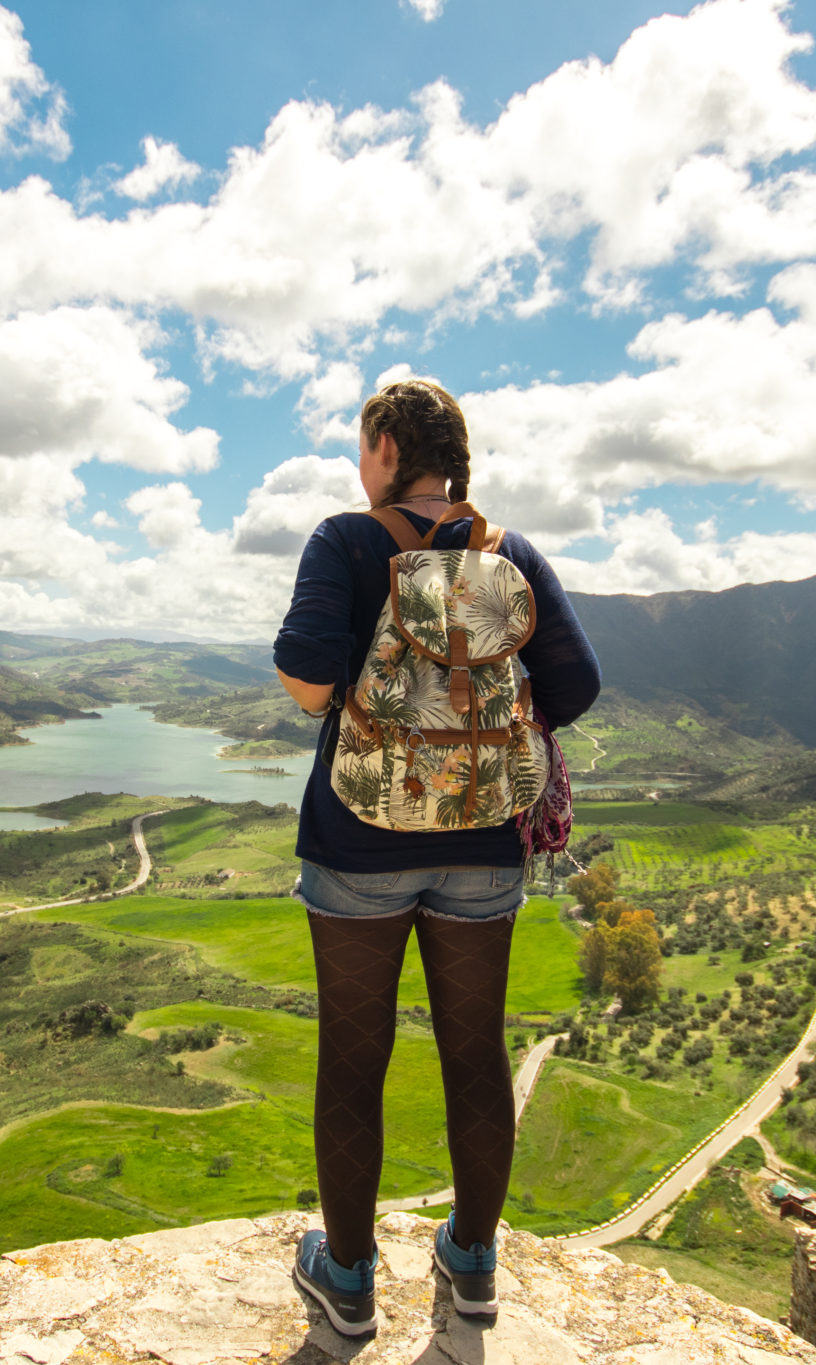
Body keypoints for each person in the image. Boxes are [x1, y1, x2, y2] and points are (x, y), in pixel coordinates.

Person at [272, 378, 601, 1335]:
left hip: (356, 843)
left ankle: (347, 1280)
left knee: (354, 1059)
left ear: (384, 446)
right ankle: (471, 1264)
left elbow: (304, 682)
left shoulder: (348, 539)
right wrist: (478, 710)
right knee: (474, 1052)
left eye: (360, 445)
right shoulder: (507, 551)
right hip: (485, 842)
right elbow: (574, 684)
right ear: (454, 458)